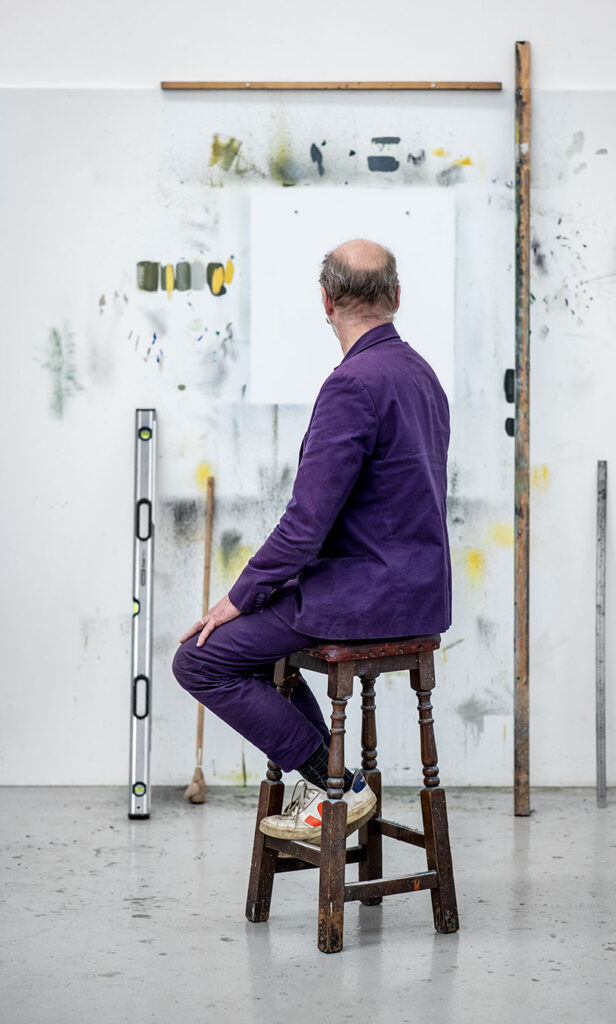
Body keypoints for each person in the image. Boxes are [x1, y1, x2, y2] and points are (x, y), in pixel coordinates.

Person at [173, 238, 451, 841]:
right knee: (265, 648)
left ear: (325, 301)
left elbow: (305, 527)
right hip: (420, 596)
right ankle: (333, 779)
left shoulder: (353, 384)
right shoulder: (421, 374)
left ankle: (337, 787)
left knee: (201, 658)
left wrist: (238, 598)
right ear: (396, 297)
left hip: (364, 598)